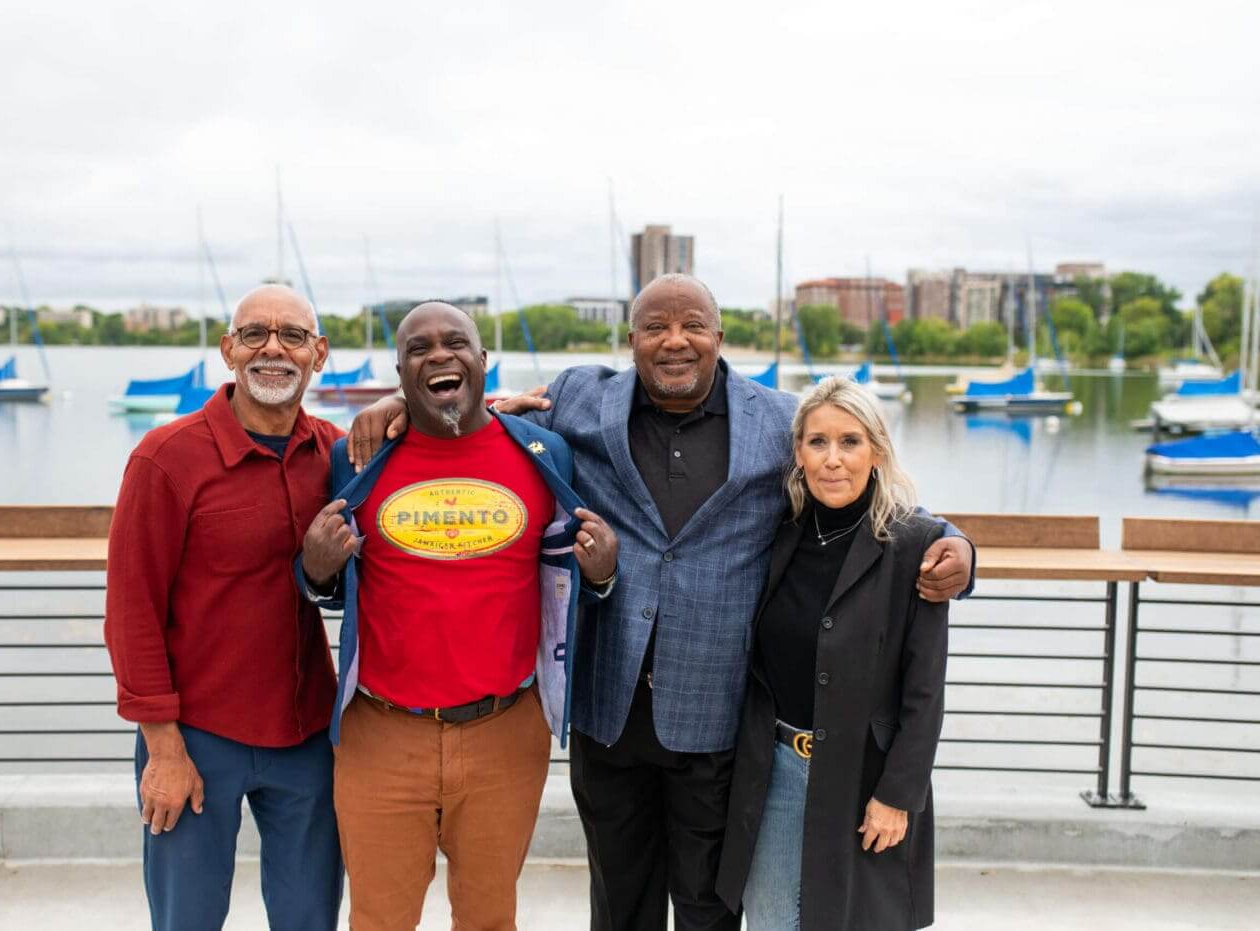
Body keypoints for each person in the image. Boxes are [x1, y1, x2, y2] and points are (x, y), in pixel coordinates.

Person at [345, 274, 973, 931]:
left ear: (720, 337)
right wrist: (394, 404)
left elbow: (869, 484)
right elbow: (468, 408)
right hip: (609, 714)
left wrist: (958, 546)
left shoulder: (779, 420)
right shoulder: (578, 401)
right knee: (619, 906)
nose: (676, 340)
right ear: (632, 339)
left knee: (709, 908)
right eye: (656, 327)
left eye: (693, 325)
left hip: (718, 716)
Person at [296, 301, 620, 931]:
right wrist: (314, 570)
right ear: (399, 372)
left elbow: (572, 581)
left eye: (455, 343)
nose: (439, 355)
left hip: (506, 731)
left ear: (482, 361)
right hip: (381, 734)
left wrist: (604, 575)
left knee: (489, 918)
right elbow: (331, 587)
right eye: (419, 349)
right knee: (379, 920)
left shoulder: (544, 454)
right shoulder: (356, 461)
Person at [104, 284, 345, 931]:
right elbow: (131, 611)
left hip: (307, 737)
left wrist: (493, 411)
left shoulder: (337, 454)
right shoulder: (166, 457)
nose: (274, 347)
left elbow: (419, 463)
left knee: (310, 917)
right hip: (195, 737)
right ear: (228, 349)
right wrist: (163, 747)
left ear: (318, 353)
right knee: (189, 918)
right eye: (255, 333)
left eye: (292, 335)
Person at [716, 376, 950, 930]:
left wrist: (897, 794)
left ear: (876, 450)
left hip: (864, 783)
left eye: (850, 441)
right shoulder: (779, 533)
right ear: (798, 452)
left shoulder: (914, 545)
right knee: (773, 922)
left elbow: (926, 690)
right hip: (773, 775)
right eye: (817, 442)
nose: (833, 459)